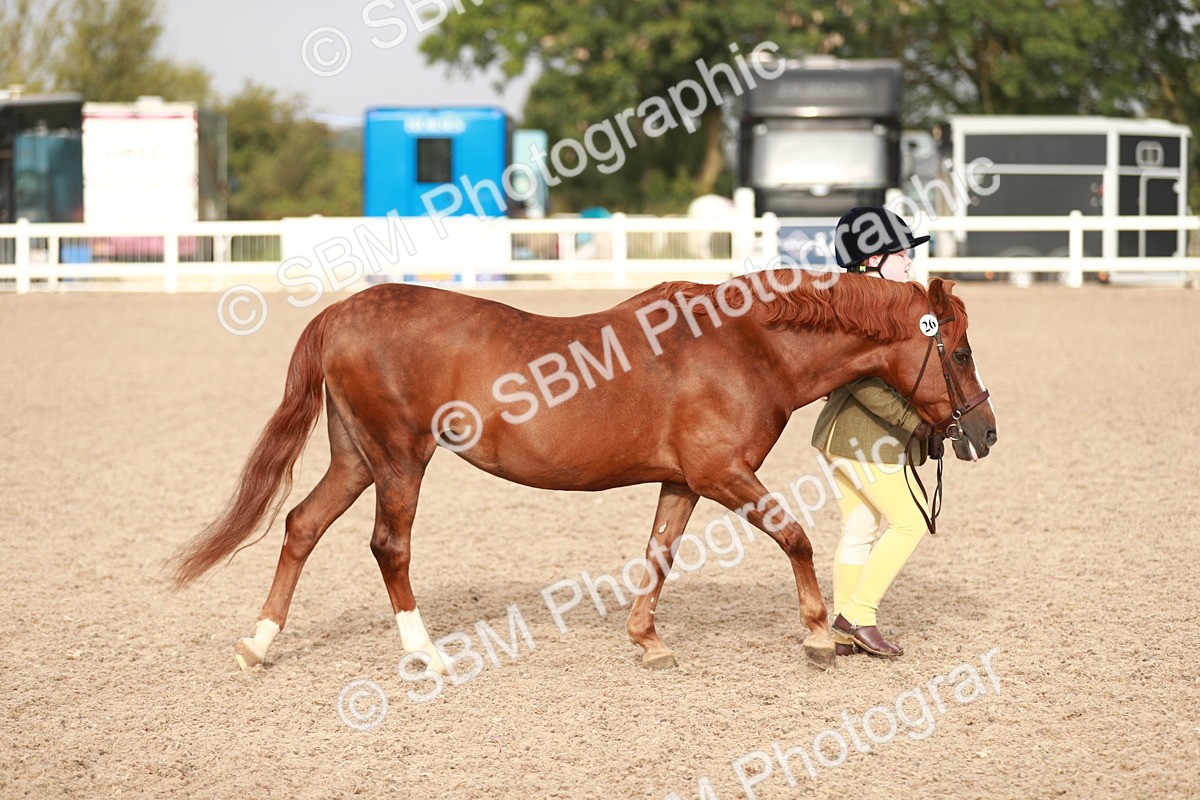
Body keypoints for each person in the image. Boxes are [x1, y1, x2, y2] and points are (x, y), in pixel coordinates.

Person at [812, 206, 943, 658]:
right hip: (864, 439)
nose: (909, 260)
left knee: (860, 528)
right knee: (911, 521)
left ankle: (844, 631)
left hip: (837, 439)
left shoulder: (861, 301)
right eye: (901, 252)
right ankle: (859, 615)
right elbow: (863, 383)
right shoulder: (866, 306)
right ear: (872, 258)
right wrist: (917, 423)